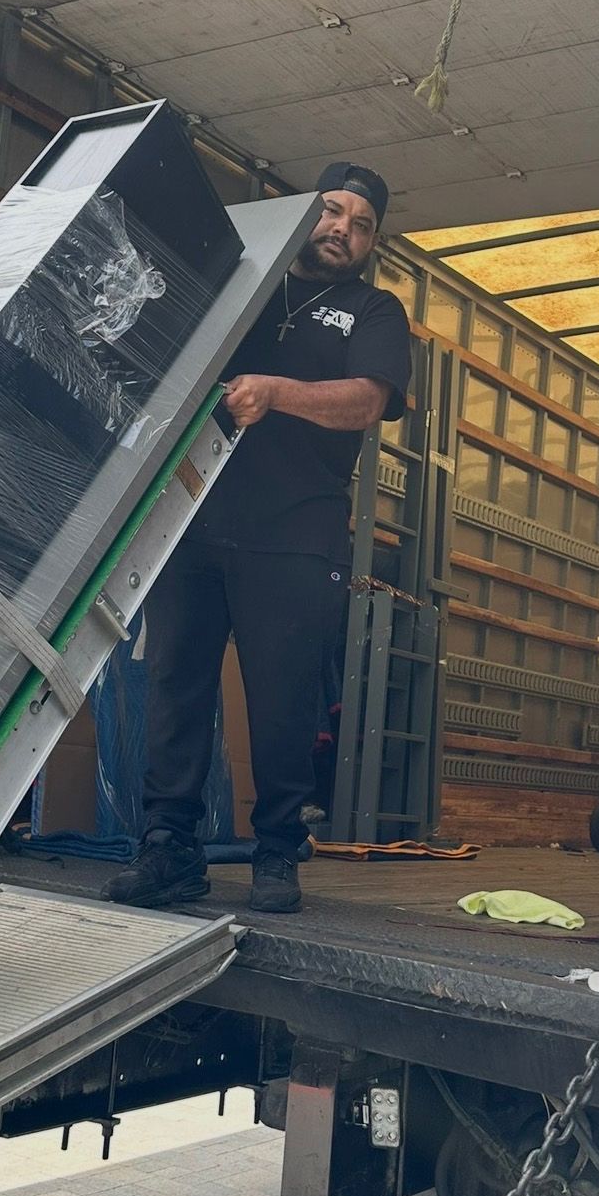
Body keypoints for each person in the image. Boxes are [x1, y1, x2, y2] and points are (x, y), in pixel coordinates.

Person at [105, 162, 412, 915]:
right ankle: (169, 847)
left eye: (361, 224)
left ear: (372, 242)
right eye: (332, 211)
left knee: (283, 700)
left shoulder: (374, 311)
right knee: (176, 687)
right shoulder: (240, 280)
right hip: (192, 521)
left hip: (297, 530)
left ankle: (278, 848)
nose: (342, 229)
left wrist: (275, 393)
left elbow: (366, 401)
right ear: (305, 213)